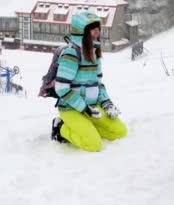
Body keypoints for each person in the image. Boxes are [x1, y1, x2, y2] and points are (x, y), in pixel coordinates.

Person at [50, 12, 127, 152]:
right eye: (92, 28)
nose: (97, 32)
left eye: (98, 28)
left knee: (120, 132)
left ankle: (87, 127)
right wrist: (85, 108)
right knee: (93, 145)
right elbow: (61, 88)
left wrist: (107, 104)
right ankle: (61, 128)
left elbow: (98, 84)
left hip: (93, 108)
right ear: (82, 32)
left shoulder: (94, 52)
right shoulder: (71, 54)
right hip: (71, 108)